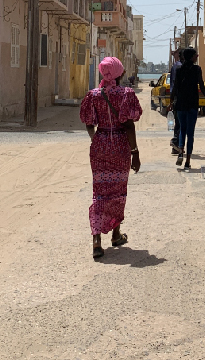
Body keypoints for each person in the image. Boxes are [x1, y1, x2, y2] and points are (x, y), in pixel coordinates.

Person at [80, 56, 143, 259]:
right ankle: (116, 234)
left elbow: (89, 122)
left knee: (99, 190)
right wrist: (135, 152)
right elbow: (129, 125)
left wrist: (97, 139)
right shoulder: (126, 94)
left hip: (100, 144)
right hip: (120, 146)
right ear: (119, 73)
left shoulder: (93, 95)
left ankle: (96, 241)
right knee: (118, 190)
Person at [170, 47, 205, 170]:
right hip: (192, 104)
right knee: (190, 133)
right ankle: (188, 161)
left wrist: (171, 101)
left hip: (180, 103)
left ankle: (181, 151)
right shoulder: (197, 69)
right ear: (191, 57)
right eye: (196, 55)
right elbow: (201, 85)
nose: (197, 57)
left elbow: (175, 87)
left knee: (182, 129)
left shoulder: (179, 69)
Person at [169, 50, 183, 152]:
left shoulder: (174, 66)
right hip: (180, 98)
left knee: (178, 123)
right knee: (181, 124)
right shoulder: (180, 67)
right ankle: (177, 142)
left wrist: (171, 99)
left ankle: (176, 146)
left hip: (175, 98)